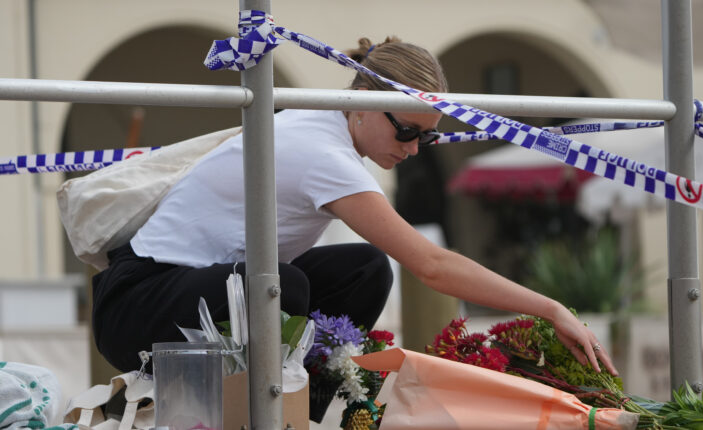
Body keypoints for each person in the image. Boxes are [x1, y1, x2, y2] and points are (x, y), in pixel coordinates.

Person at [91, 36, 617, 421]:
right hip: (136, 305)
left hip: (186, 290)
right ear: (363, 101)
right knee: (280, 285)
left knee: (365, 268)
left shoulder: (326, 126)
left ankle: (317, 397)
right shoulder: (325, 154)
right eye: (406, 130)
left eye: (426, 139)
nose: (412, 149)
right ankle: (279, 406)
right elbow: (432, 264)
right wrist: (549, 306)